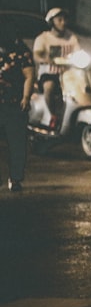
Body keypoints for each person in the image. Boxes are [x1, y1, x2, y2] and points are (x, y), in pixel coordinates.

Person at [32, 7, 81, 128]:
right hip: (49, 73)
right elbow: (37, 55)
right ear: (52, 22)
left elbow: (79, 53)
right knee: (49, 87)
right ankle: (52, 115)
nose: (63, 22)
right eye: (59, 19)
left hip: (69, 74)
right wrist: (45, 60)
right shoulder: (43, 38)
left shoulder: (72, 37)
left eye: (65, 19)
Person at [0, 26, 35, 192]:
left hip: (14, 104)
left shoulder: (21, 52)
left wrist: (26, 97)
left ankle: (15, 178)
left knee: (17, 144)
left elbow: (29, 75)